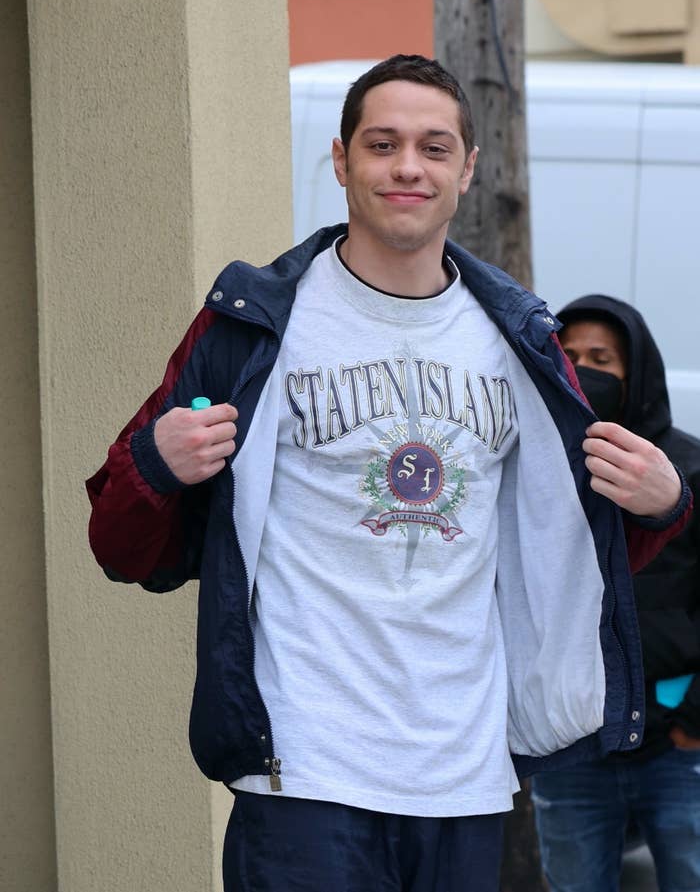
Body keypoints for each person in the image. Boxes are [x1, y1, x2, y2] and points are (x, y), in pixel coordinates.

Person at [85, 56, 691, 892]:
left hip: (465, 776)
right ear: (340, 160)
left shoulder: (518, 338)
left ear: (468, 170)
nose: (409, 166)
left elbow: (565, 564)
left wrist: (664, 506)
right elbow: (119, 543)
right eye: (383, 143)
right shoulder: (255, 321)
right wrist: (158, 462)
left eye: (435, 147)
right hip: (302, 768)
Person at [532, 295, 700, 892]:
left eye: (602, 357)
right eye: (570, 356)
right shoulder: (539, 467)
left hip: (678, 747)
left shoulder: (686, 468)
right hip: (573, 747)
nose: (584, 369)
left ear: (638, 370)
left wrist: (693, 718)